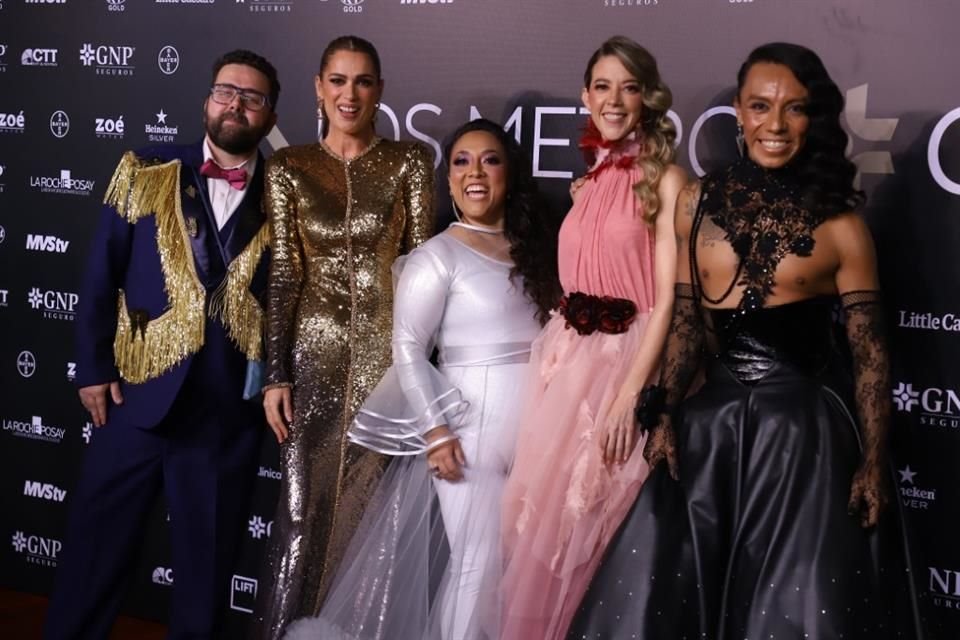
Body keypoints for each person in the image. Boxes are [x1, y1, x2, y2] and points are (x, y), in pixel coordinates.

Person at [569, 42, 922, 639]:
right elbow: (685, 320)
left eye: (794, 109)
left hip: (802, 436)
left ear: (814, 117)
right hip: (711, 430)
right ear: (738, 110)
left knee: (789, 602)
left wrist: (871, 460)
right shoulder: (694, 202)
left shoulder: (841, 224)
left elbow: (870, 354)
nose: (775, 126)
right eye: (760, 107)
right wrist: (667, 414)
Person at [283, 118, 561, 640]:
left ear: (509, 173)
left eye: (490, 159)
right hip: (467, 435)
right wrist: (435, 431)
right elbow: (407, 348)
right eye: (461, 161)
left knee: (515, 575)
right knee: (476, 569)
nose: (474, 172)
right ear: (449, 179)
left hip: (538, 434)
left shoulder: (536, 252)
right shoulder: (439, 256)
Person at [43, 50, 279, 640]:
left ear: (270, 113)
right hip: (135, 402)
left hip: (227, 416)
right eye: (226, 91)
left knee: (205, 581)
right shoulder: (146, 167)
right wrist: (93, 368)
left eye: (252, 97)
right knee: (93, 557)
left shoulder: (288, 195)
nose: (236, 104)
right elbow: (102, 272)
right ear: (206, 101)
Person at [499, 36, 686, 640]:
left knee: (596, 537)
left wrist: (631, 394)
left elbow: (665, 304)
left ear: (647, 99)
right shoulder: (589, 182)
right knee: (542, 539)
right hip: (564, 366)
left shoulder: (669, 182)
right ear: (585, 95)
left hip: (624, 367)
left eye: (628, 86)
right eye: (602, 86)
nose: (614, 99)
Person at [252, 35, 434, 639]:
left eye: (362, 81)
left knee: (374, 514)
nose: (349, 94)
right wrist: (275, 373)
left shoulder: (409, 162)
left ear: (380, 89)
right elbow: (284, 276)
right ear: (318, 87)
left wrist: (421, 372)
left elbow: (420, 266)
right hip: (312, 357)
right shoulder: (288, 167)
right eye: (337, 80)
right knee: (303, 510)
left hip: (389, 362)